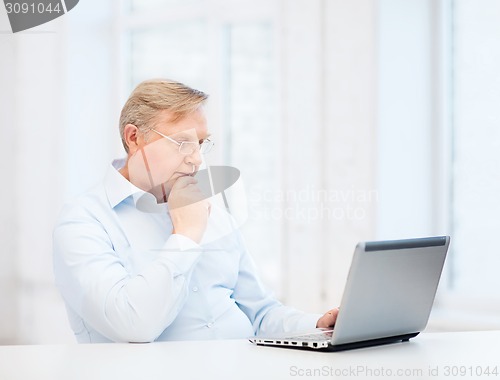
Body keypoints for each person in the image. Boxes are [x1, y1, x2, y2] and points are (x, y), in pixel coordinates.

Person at [53, 79, 339, 343]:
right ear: (134, 137)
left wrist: (318, 324)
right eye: (182, 143)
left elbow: (261, 313)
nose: (197, 160)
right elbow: (133, 326)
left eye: (201, 143)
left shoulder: (212, 212)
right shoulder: (84, 222)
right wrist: (186, 236)